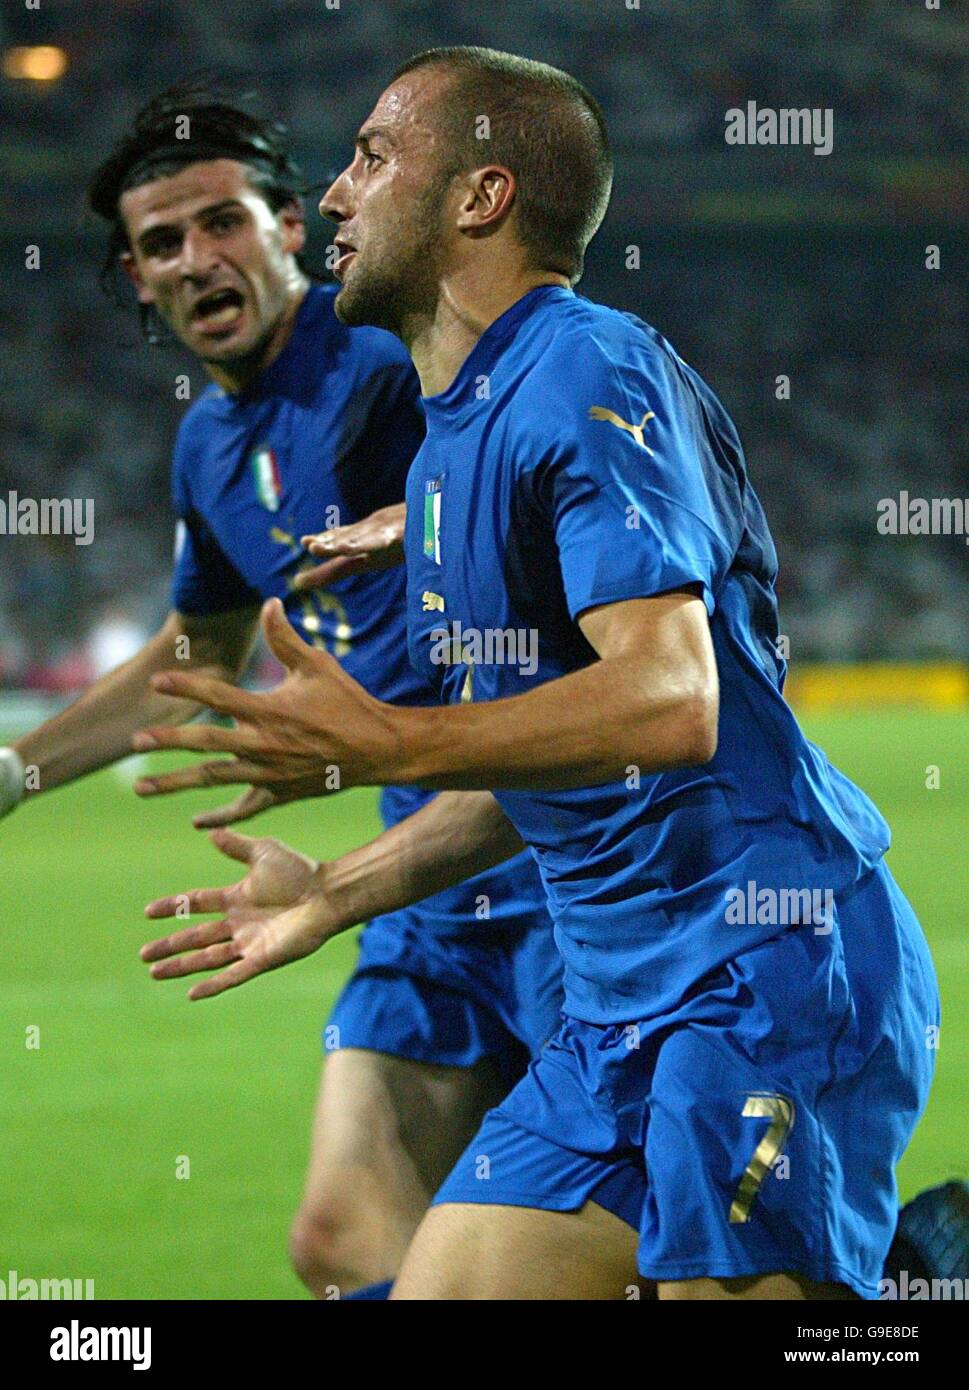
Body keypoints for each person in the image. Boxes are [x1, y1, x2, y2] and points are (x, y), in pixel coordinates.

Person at [135, 49, 940, 1301]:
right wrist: (341, 889)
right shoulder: (453, 435)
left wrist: (386, 745)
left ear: (481, 197)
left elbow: (671, 703)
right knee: (425, 1282)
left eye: (372, 156)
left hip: (759, 971)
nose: (334, 197)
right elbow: (546, 772)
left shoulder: (583, 366)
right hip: (613, 1009)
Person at [0, 81, 563, 1300]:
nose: (197, 258)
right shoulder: (208, 448)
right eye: (162, 243)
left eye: (223, 222)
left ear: (290, 226)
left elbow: (534, 466)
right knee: (347, 1237)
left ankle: (883, 1280)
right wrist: (13, 773)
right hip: (420, 869)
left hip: (547, 846)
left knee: (641, 1258)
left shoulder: (381, 355)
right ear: (140, 281)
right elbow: (189, 665)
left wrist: (414, 517)